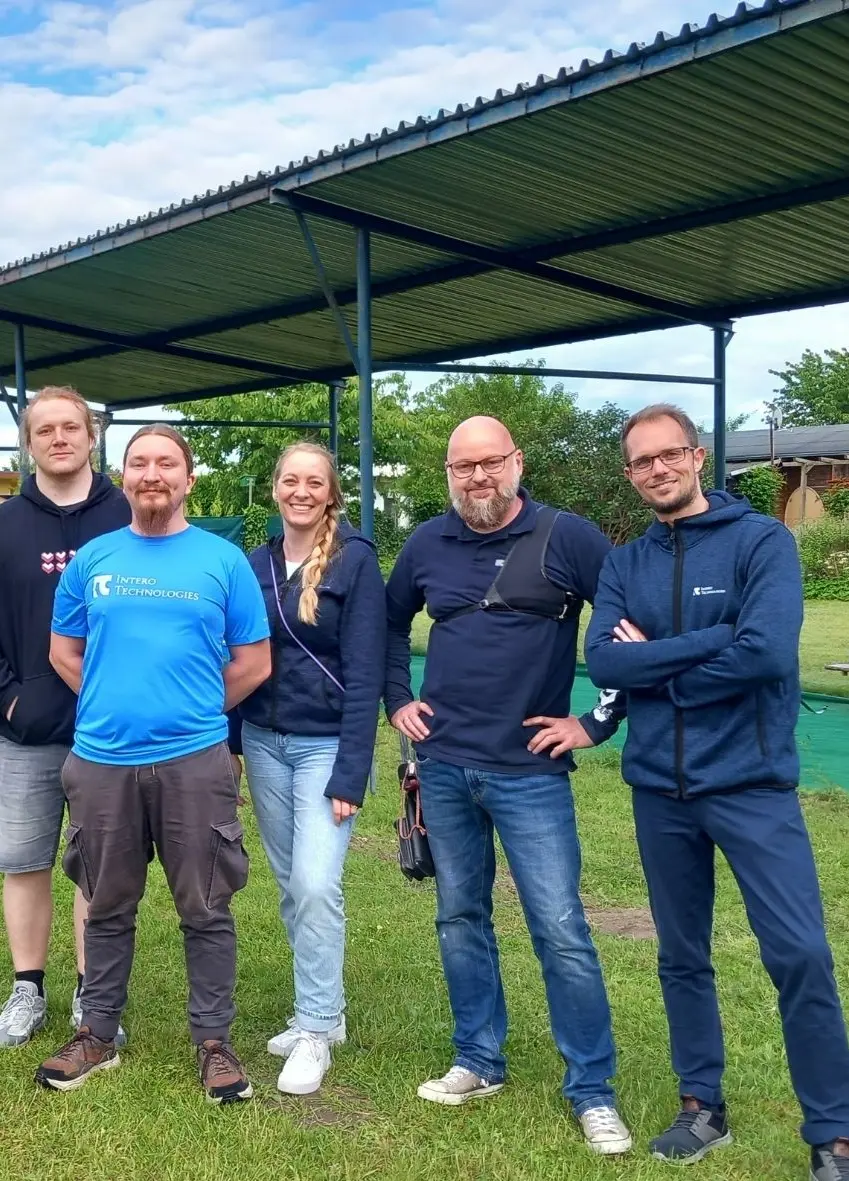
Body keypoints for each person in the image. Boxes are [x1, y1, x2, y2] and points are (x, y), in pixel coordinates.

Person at [584, 403, 849, 1179]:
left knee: (799, 952)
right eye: (642, 460)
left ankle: (832, 1131)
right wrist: (709, 642)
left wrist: (661, 666)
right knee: (680, 954)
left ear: (698, 457)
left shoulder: (760, 541)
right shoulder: (623, 563)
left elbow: (765, 653)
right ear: (630, 473)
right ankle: (701, 1104)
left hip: (750, 783)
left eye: (669, 454)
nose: (657, 469)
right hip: (659, 790)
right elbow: (604, 661)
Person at [384, 415, 631, 1156]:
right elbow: (387, 624)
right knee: (460, 916)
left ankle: (592, 1091)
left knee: (560, 928)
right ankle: (478, 1059)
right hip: (444, 766)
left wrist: (595, 721)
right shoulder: (427, 542)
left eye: (490, 462)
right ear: (448, 474)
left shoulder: (568, 536)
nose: (478, 477)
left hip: (530, 773)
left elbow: (629, 625)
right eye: (464, 466)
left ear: (516, 462)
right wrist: (397, 698)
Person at [34, 424, 271, 1102]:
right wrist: (112, 700)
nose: (152, 474)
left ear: (188, 479)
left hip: (195, 762)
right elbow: (63, 652)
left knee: (206, 904)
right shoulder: (94, 559)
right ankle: (97, 1032)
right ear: (124, 477)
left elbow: (254, 662)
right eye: (139, 463)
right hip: (102, 760)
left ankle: (214, 1042)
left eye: (166, 463)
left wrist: (188, 710)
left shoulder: (223, 562)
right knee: (106, 901)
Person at [235, 442, 386, 1095]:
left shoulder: (356, 562)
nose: (301, 491)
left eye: (314, 482)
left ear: (330, 494)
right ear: (275, 488)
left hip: (326, 746)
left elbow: (367, 671)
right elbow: (238, 659)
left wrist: (352, 770)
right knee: (292, 886)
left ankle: (316, 1028)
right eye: (290, 480)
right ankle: (321, 1011)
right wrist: (232, 746)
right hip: (263, 742)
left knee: (317, 883)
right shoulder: (254, 564)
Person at [0, 386, 130, 1048]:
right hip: (25, 731)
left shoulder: (127, 514)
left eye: (70, 427)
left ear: (90, 436)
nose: (59, 438)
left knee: (96, 866)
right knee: (23, 861)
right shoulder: (5, 524)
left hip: (110, 731)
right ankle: (28, 987)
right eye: (44, 429)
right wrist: (10, 698)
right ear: (29, 444)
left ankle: (91, 990)